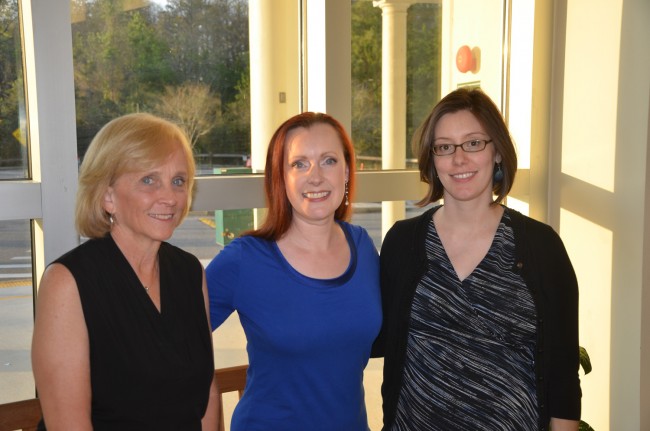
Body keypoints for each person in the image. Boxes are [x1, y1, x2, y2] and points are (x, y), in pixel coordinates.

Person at [373, 88, 581, 431]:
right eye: (444, 147)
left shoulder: (542, 248)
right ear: (432, 159)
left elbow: (562, 374)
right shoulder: (402, 242)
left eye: (473, 143)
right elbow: (370, 336)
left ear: (497, 151)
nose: (458, 159)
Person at [31, 113, 219, 430]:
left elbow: (207, 394)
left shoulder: (189, 272)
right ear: (107, 196)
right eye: (149, 180)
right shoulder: (68, 282)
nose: (170, 197)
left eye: (178, 181)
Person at [205, 112, 381, 430]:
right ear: (281, 178)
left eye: (328, 160)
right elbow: (170, 340)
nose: (315, 176)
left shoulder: (363, 246)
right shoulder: (245, 259)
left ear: (346, 172)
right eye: (299, 164)